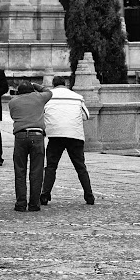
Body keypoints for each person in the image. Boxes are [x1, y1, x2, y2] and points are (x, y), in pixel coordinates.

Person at [40, 76, 94, 206]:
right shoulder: (76, 97)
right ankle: (89, 196)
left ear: (53, 85)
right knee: (80, 167)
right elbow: (86, 116)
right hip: (74, 135)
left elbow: (42, 114)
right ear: (66, 84)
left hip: (55, 135)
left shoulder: (47, 97)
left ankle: (45, 195)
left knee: (51, 167)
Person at [8, 81, 52, 212]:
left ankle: (21, 203)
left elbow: (13, 116)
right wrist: (36, 85)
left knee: (20, 170)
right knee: (36, 171)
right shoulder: (39, 97)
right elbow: (49, 92)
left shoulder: (13, 102)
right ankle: (34, 204)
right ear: (32, 91)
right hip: (37, 136)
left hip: (20, 136)